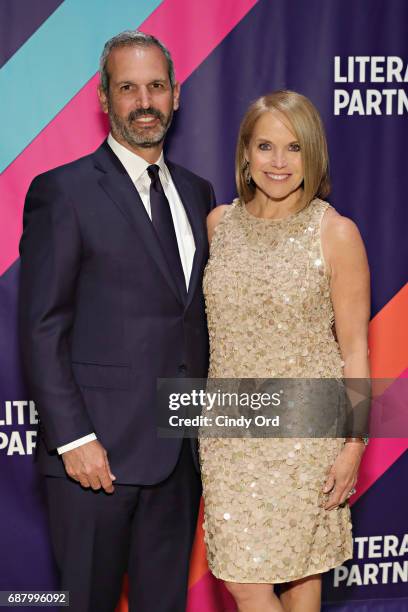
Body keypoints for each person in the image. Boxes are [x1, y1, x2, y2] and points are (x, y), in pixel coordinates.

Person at [19, 30, 215, 612]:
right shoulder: (64, 191)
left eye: (156, 86)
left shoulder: (200, 194)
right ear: (104, 99)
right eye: (127, 88)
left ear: (176, 95)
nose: (144, 100)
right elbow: (41, 327)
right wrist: (75, 439)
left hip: (179, 458)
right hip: (94, 460)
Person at [199, 90, 370, 612]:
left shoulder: (335, 233)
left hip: (306, 433)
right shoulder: (219, 224)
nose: (278, 162)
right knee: (244, 577)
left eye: (293, 148)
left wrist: (354, 445)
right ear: (245, 154)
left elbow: (358, 351)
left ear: (312, 155)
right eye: (266, 146)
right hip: (229, 432)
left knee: (300, 572)